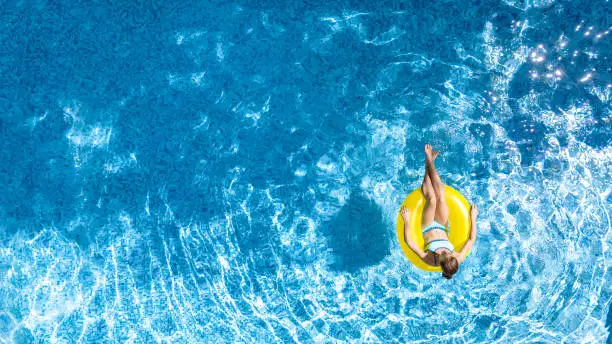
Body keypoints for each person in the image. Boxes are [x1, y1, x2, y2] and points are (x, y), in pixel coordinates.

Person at [400, 144, 477, 279]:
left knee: (432, 199)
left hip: (428, 226)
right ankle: (429, 161)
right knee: (441, 197)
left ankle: (428, 161)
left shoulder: (431, 260)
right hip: (442, 224)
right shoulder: (457, 257)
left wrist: (407, 220)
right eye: (449, 253)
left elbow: (410, 242)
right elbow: (471, 240)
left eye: (443, 254)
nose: (445, 251)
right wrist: (473, 217)